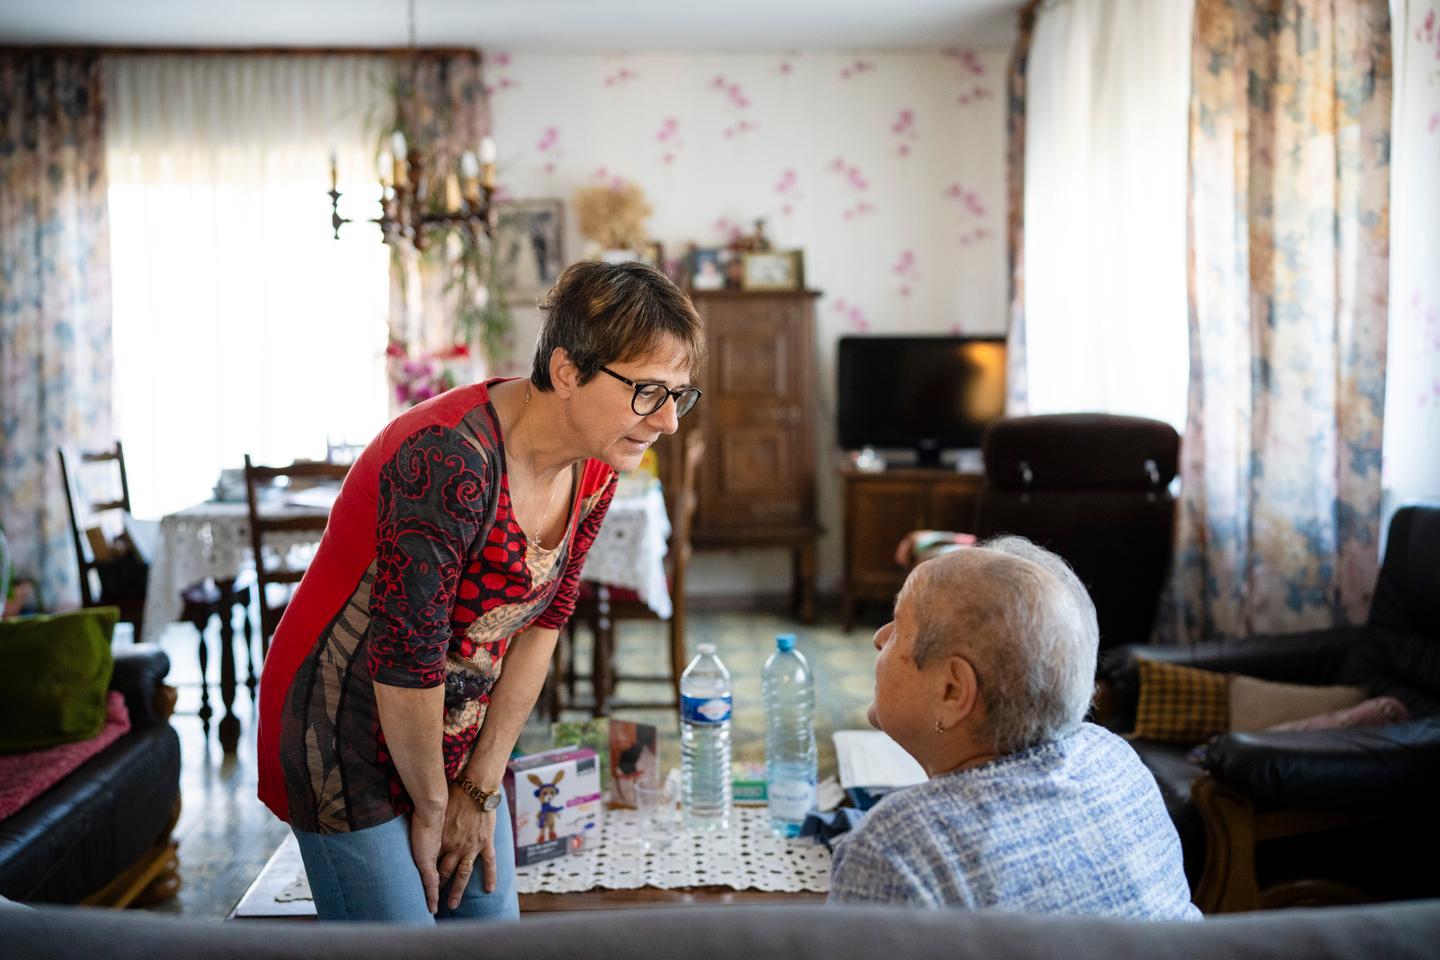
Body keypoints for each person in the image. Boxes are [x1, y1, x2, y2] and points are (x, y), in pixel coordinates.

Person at [256, 260, 705, 924]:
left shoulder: (597, 465)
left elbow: (545, 622)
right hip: (341, 733)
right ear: (566, 372)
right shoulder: (447, 458)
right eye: (647, 391)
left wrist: (480, 785)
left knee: (490, 934)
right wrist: (436, 808)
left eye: (679, 394)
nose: (667, 421)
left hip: (450, 732)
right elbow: (406, 660)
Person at [828, 537, 1200, 920]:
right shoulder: (1115, 757)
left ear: (953, 689)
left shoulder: (896, 850)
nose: (879, 637)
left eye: (900, 624)